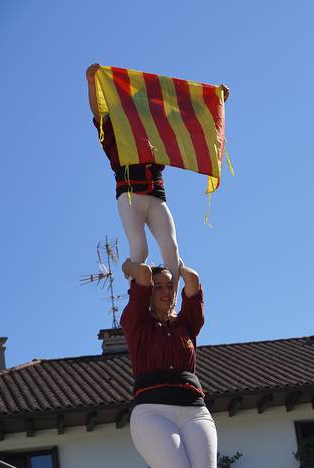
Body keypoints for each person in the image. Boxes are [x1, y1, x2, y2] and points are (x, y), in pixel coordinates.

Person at [86, 63, 229, 305]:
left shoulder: (155, 130)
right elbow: (99, 115)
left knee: (172, 251)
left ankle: (168, 305)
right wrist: (91, 83)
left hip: (155, 196)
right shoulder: (116, 130)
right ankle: (139, 297)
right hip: (129, 196)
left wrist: (218, 99)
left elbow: (189, 116)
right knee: (140, 251)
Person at [121, 259, 217, 468]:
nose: (166, 292)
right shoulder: (137, 322)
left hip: (193, 409)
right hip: (152, 411)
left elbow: (192, 279)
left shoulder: (186, 323)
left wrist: (175, 263)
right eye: (158, 287)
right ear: (148, 292)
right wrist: (130, 270)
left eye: (170, 286)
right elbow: (143, 272)